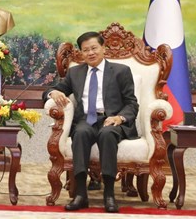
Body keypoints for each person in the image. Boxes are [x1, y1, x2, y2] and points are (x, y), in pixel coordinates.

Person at [42, 31, 138, 213]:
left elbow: (131, 103)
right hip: (86, 119)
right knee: (80, 133)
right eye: (86, 50)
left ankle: (109, 195)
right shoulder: (75, 72)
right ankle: (80, 195)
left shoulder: (121, 71)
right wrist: (53, 93)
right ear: (81, 53)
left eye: (94, 48)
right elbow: (52, 89)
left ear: (103, 48)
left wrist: (119, 118)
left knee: (107, 134)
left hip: (111, 119)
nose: (90, 53)